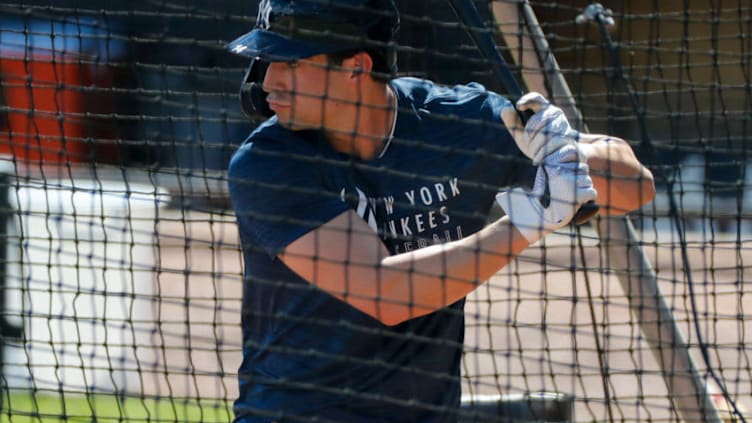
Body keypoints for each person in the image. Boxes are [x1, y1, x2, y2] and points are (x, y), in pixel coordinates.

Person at [225, 0, 655, 421]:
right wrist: (532, 218)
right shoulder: (268, 163)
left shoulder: (453, 123)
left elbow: (636, 188)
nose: (268, 81)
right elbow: (385, 291)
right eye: (268, 61)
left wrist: (569, 153)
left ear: (356, 67)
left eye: (291, 63)